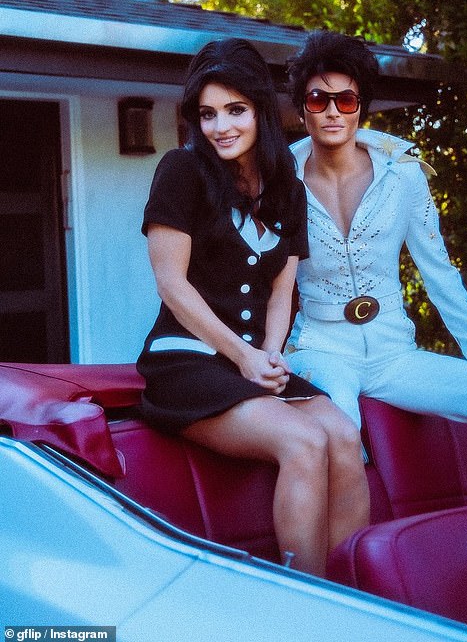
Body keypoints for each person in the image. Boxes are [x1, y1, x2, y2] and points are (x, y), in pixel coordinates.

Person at [136, 38, 369, 576]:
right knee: (303, 440)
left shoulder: (286, 186)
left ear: (260, 111)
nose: (221, 126)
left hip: (249, 361)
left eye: (235, 110)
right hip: (185, 364)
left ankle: (353, 601)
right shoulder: (181, 170)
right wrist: (243, 356)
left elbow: (282, 288)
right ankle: (301, 602)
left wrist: (269, 352)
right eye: (209, 113)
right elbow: (171, 284)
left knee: (343, 436)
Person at [284, 30, 467, 503]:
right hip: (320, 349)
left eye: (346, 99)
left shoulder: (403, 176)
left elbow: (439, 273)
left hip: (393, 353)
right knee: (340, 423)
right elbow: (258, 276)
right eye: (319, 99)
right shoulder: (279, 179)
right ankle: (344, 562)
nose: (333, 112)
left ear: (362, 106)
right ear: (302, 109)